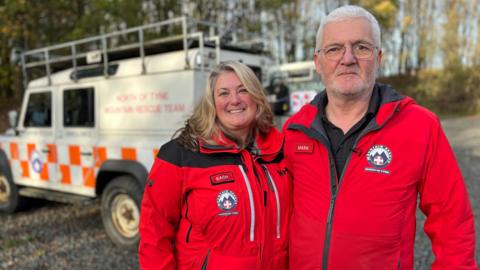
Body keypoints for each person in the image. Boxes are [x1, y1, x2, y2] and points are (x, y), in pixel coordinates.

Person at [283, 5, 477, 270]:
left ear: (379, 57)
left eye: (361, 47)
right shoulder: (294, 131)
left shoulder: (420, 126)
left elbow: (452, 222)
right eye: (334, 48)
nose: (348, 58)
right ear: (318, 61)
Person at [139, 61, 292, 270]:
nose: (235, 100)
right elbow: (154, 233)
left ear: (256, 96)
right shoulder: (180, 155)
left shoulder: (281, 150)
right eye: (223, 93)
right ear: (211, 102)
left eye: (243, 90)